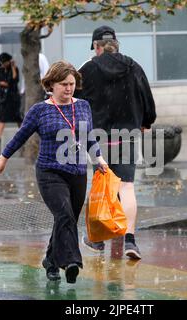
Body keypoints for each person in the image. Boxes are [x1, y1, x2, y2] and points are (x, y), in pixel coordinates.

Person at [0, 61, 108, 284]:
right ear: (51, 84)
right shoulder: (40, 110)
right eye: (64, 84)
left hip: (77, 171)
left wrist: (98, 158)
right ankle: (72, 261)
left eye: (72, 84)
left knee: (67, 219)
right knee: (64, 214)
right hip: (49, 172)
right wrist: (3, 158)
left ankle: (51, 261)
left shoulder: (83, 106)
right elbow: (21, 136)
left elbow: (89, 136)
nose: (69, 88)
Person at [76, 26, 157, 260]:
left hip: (99, 136)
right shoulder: (133, 67)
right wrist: (145, 120)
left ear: (97, 46)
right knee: (126, 186)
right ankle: (130, 240)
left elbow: (75, 100)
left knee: (102, 184)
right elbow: (147, 100)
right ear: (116, 44)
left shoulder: (88, 69)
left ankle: (98, 240)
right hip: (128, 134)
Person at [0, 53, 22, 146]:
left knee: (18, 117)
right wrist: (6, 83)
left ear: (8, 61)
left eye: (4, 62)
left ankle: (23, 134)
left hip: (13, 97)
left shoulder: (14, 69)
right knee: (2, 117)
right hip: (3, 97)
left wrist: (13, 67)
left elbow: (15, 80)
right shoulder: (1, 70)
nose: (3, 64)